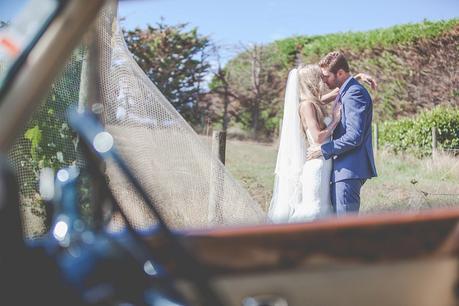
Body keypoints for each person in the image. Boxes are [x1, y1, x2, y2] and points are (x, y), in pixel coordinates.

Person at [269, 61, 376, 223]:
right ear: (313, 81)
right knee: (315, 209)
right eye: (321, 77)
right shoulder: (307, 105)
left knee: (326, 211)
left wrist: (357, 77)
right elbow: (318, 137)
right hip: (317, 165)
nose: (324, 80)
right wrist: (334, 121)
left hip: (326, 164)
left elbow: (339, 89)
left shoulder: (316, 102)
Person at [307, 51, 378, 216]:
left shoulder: (354, 93)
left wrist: (323, 150)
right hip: (343, 169)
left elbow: (354, 136)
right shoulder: (345, 89)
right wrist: (358, 76)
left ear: (340, 73)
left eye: (326, 76)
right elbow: (320, 99)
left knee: (346, 229)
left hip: (349, 170)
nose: (323, 80)